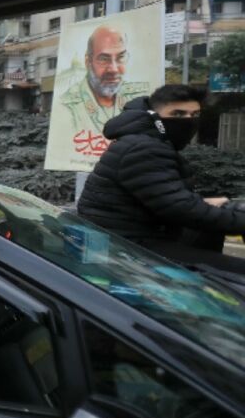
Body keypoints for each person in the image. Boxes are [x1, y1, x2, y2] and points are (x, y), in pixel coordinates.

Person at [77, 84, 245, 275]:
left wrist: (206, 203)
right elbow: (182, 209)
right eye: (178, 114)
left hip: (136, 234)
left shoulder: (145, 140)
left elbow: (166, 196)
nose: (188, 121)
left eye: (195, 115)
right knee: (237, 272)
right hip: (126, 247)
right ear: (154, 116)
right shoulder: (144, 148)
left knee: (220, 216)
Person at [58, 25, 148, 135]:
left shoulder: (139, 98)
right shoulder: (67, 107)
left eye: (120, 58)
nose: (114, 69)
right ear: (88, 62)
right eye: (104, 59)